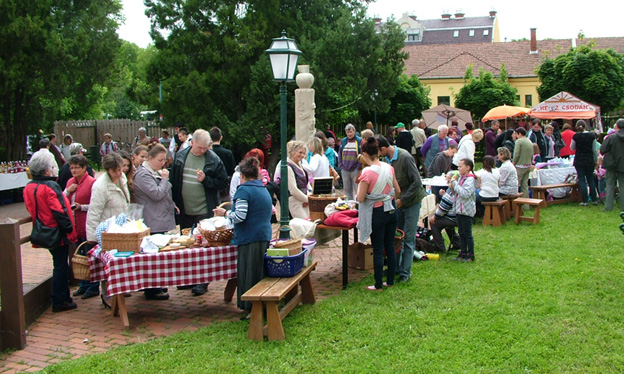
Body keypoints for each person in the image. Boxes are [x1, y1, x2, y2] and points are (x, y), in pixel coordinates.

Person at [171, 129, 228, 296]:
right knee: (187, 244)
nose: (203, 151)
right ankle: (188, 279)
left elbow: (223, 181)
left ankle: (202, 281)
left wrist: (207, 180)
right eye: (200, 147)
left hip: (204, 209)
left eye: (206, 147)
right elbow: (175, 182)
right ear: (192, 143)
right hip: (185, 209)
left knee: (203, 246)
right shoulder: (181, 157)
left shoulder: (213, 159)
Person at [213, 157, 272, 314]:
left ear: (243, 176)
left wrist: (225, 213)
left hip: (249, 237)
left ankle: (250, 307)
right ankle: (261, 305)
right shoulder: (262, 188)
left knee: (249, 273)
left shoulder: (244, 190)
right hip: (263, 235)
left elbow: (239, 216)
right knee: (260, 272)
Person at [24, 151, 78, 313]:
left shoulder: (29, 187)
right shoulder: (50, 187)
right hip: (57, 232)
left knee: (59, 264)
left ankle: (62, 298)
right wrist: (69, 228)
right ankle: (59, 300)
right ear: (47, 170)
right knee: (61, 266)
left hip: (42, 229)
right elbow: (60, 210)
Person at [377, 136, 426, 283]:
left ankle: (405, 272)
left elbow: (417, 182)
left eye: (379, 152)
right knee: (396, 237)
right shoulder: (386, 160)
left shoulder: (405, 157)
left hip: (411, 202)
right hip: (397, 203)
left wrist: (402, 200)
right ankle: (396, 267)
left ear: (384, 149)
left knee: (408, 238)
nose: (378, 156)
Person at [356, 137, 400, 291]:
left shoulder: (367, 172)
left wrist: (371, 196)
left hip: (377, 211)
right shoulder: (389, 168)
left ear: (365, 154)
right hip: (391, 209)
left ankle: (378, 284)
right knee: (390, 246)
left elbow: (360, 198)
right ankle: (391, 281)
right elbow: (398, 190)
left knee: (378, 249)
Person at [134, 144, 177, 300]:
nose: (163, 163)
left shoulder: (153, 171)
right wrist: (165, 180)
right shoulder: (143, 175)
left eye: (164, 160)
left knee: (157, 254)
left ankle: (157, 285)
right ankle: (152, 289)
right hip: (152, 220)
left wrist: (172, 205)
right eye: (160, 160)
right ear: (150, 158)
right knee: (152, 256)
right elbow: (157, 194)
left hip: (159, 217)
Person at [63, 154, 98, 300]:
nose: (74, 170)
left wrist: (81, 207)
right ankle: (83, 284)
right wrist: (68, 191)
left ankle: (93, 286)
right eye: (72, 168)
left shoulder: (91, 182)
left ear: (84, 168)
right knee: (80, 257)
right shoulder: (70, 182)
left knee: (90, 256)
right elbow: (62, 200)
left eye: (77, 167)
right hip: (75, 225)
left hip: (87, 224)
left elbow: (96, 205)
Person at [85, 153, 131, 246]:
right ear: (107, 170)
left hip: (123, 230)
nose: (118, 173)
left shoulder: (122, 178)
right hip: (108, 232)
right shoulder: (100, 186)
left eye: (119, 169)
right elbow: (94, 212)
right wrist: (92, 239)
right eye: (114, 171)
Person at [448, 158, 476, 262]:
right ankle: (463, 252)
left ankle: (470, 254)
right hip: (459, 209)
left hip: (466, 210)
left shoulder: (470, 180)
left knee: (467, 233)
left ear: (468, 168)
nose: (458, 168)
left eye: (460, 166)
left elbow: (465, 194)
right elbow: (457, 192)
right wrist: (451, 187)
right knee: (461, 232)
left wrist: (454, 184)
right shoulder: (461, 178)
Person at [274, 140, 310, 219]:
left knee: (308, 224)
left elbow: (307, 184)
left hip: (305, 201)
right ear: (293, 151)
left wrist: (309, 197)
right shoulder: (288, 166)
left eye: (304, 153)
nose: (302, 155)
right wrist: (307, 199)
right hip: (295, 201)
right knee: (303, 224)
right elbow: (293, 190)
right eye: (300, 152)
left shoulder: (301, 165)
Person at [571, 120, 598, 206]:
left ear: (577, 126)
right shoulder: (591, 135)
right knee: (590, 179)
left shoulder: (576, 136)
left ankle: (585, 200)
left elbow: (572, 148)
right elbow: (594, 150)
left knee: (582, 179)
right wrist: (596, 160)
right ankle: (594, 199)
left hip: (579, 159)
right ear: (585, 126)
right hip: (589, 159)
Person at [429, 180, 461, 253]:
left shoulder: (451, 191)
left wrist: (435, 216)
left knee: (434, 223)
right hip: (460, 216)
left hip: (454, 218)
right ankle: (457, 242)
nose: (447, 183)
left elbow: (443, 209)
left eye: (449, 181)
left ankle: (440, 247)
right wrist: (443, 196)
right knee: (446, 223)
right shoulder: (459, 189)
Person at [210, 127, 236, 202]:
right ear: (221, 138)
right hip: (225, 186)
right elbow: (232, 170)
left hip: (211, 185)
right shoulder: (228, 153)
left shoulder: (208, 153)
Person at [338, 124, 362, 201]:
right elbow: (340, 154)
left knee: (357, 188)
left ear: (354, 131)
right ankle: (349, 203)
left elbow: (361, 153)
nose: (349, 134)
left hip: (355, 168)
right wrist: (341, 165)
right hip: (345, 168)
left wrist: (359, 166)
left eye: (351, 132)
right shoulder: (343, 141)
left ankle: (358, 205)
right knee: (347, 189)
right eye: (348, 132)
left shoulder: (359, 141)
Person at [513, 127, 533, 200]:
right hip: (528, 165)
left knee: (516, 185)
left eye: (516, 134)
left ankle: (517, 203)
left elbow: (516, 154)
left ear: (520, 134)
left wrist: (513, 162)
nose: (515, 135)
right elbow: (532, 154)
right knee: (525, 186)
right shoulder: (529, 141)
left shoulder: (519, 141)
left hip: (520, 166)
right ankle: (526, 204)